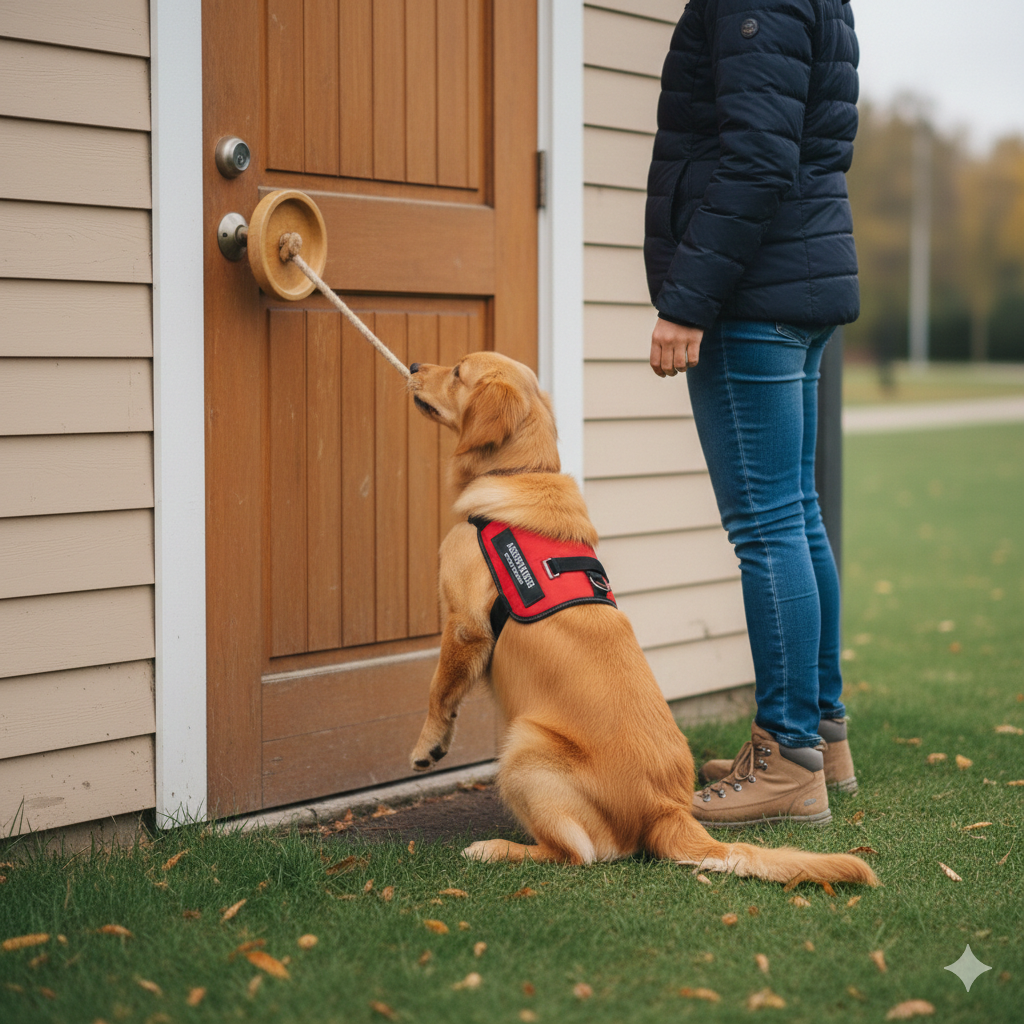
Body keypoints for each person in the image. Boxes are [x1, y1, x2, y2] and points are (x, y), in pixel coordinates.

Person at [644, 0, 860, 826]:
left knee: (768, 524)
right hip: (794, 281)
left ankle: (787, 760)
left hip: (752, 295)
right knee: (795, 514)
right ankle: (821, 738)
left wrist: (688, 301)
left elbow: (760, 158)